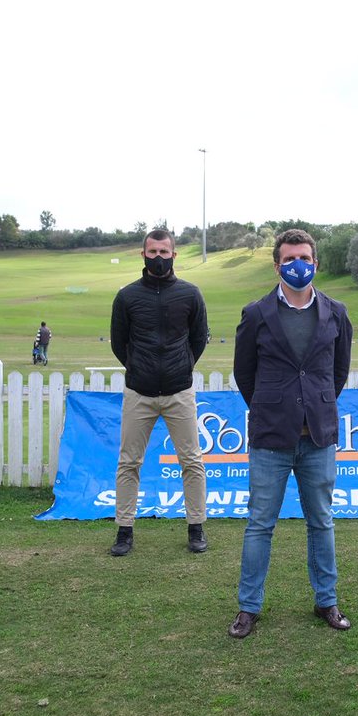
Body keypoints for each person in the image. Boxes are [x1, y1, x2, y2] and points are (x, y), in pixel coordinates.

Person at [228, 229, 353, 638]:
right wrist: (272, 407)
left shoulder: (337, 313)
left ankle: (326, 601)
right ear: (277, 265)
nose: (297, 265)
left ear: (316, 263)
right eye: (289, 259)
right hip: (270, 438)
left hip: (318, 437)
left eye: (304, 258)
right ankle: (248, 607)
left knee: (322, 522)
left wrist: (314, 403)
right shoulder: (255, 314)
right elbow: (244, 373)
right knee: (259, 524)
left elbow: (337, 372)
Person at [109, 229, 210, 556]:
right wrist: (139, 368)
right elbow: (118, 342)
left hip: (180, 392)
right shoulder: (127, 297)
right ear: (143, 255)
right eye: (152, 252)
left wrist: (182, 366)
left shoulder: (190, 294)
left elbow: (199, 338)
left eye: (164, 252)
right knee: (129, 462)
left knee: (192, 461)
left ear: (174, 255)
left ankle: (196, 527)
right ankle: (124, 530)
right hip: (139, 392)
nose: (158, 258)